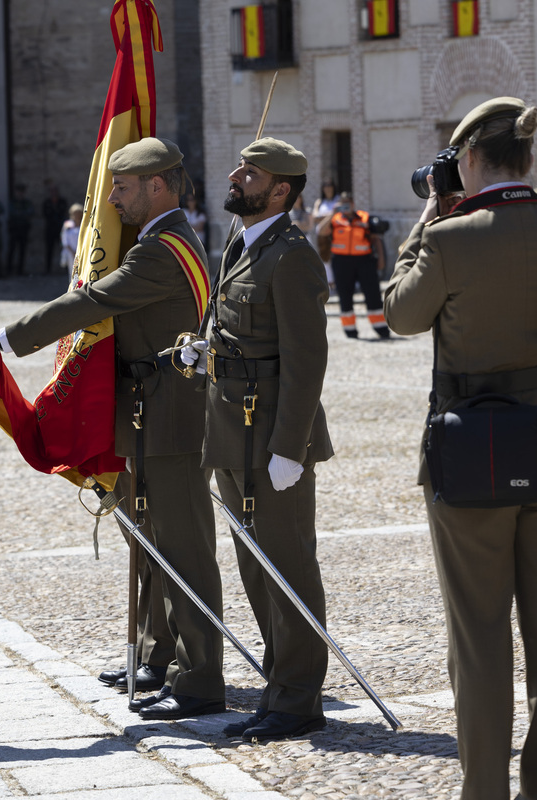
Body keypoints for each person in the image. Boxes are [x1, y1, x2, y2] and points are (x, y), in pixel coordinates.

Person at [0, 138, 225, 722]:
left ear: (158, 184)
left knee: (184, 549)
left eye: (121, 188)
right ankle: (161, 656)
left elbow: (94, 300)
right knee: (151, 542)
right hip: (147, 416)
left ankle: (202, 678)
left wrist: (3, 339)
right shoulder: (157, 240)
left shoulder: (162, 250)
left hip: (171, 422)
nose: (112, 201)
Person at [384, 97, 537, 800]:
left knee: (480, 636)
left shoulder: (451, 237)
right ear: (530, 158)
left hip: (469, 457)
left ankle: (484, 789)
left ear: (469, 159)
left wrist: (429, 217)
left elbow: (399, 313)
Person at [182, 137, 333, 743]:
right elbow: (232, 321)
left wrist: (289, 449)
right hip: (232, 431)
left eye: (252, 172)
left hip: (271, 438)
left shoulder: (291, 255)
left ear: (281, 191)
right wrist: (203, 347)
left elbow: (307, 359)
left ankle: (298, 699)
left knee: (287, 564)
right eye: (241, 167)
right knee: (254, 564)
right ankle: (279, 687)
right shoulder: (243, 245)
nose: (235, 175)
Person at [317, 192, 389, 339]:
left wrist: (381, 259)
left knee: (373, 294)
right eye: (342, 204)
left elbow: (376, 240)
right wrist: (332, 213)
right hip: (342, 262)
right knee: (345, 295)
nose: (345, 206)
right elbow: (321, 230)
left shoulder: (364, 217)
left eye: (347, 203)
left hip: (365, 261)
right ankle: (350, 330)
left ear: (353, 204)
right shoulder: (335, 220)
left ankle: (381, 329)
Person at [310, 178, 339, 290]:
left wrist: (323, 218)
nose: (327, 188)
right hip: (322, 235)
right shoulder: (320, 202)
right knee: (325, 259)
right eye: (325, 186)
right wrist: (330, 215)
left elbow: (339, 214)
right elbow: (315, 217)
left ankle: (336, 282)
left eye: (329, 185)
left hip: (334, 233)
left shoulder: (338, 199)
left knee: (335, 258)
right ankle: (329, 283)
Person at [6, 183, 34, 276]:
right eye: (18, 192)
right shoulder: (12, 202)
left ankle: (20, 270)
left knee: (22, 250)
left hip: (24, 228)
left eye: (21, 192)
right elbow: (13, 213)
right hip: (14, 228)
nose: (20, 194)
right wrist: (22, 214)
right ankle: (9, 270)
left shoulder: (26, 202)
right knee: (12, 249)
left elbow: (30, 212)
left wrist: (21, 214)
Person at [42, 184, 69, 274]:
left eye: (55, 191)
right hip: (50, 229)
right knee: (49, 249)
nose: (54, 193)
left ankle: (66, 269)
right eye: (52, 191)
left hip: (60, 229)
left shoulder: (62, 202)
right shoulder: (47, 202)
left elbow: (63, 213)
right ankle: (48, 269)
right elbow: (45, 214)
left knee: (63, 249)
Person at [60, 203, 84, 282]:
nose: (76, 215)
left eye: (78, 213)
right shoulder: (68, 225)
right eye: (75, 213)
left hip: (82, 251)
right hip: (71, 252)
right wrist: (72, 251)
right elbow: (65, 239)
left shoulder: (84, 224)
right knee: (72, 271)